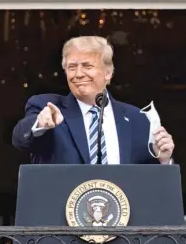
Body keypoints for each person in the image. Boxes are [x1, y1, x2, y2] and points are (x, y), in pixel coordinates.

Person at [12, 36, 175, 165]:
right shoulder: (47, 107)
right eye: (72, 67)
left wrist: (164, 159)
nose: (78, 74)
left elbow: (151, 182)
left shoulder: (137, 119)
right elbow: (21, 139)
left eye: (87, 66)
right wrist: (40, 124)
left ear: (108, 73)